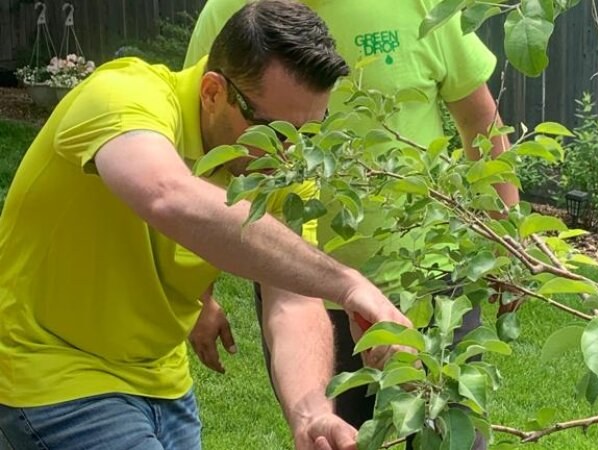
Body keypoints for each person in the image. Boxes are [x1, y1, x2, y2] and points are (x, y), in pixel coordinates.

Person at [0, 1, 412, 450]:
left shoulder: (280, 168)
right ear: (214, 92)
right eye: (274, 132)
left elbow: (292, 298)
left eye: (308, 134)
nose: (291, 155)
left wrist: (311, 410)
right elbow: (169, 195)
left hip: (163, 379)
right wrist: (346, 282)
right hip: (48, 368)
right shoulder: (123, 97)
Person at [185, 1, 519, 448]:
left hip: (435, 279)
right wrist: (198, 295)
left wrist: (507, 238)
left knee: (450, 435)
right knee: (335, 436)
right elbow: (203, 151)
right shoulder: (230, 13)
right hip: (302, 281)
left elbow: (479, 119)